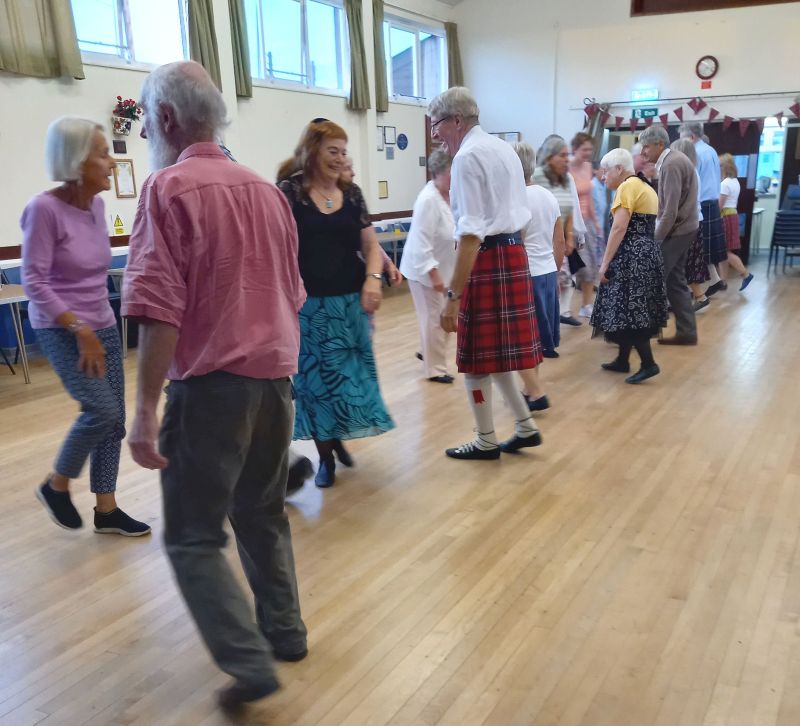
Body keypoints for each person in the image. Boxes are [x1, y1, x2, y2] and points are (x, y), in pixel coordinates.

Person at [123, 61, 307, 712]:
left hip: (210, 389)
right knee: (262, 513)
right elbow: (294, 293)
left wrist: (144, 411)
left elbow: (158, 304)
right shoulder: (265, 191)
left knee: (194, 536)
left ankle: (248, 660)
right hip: (276, 380)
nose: (146, 126)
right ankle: (284, 633)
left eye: (146, 116)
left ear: (167, 119)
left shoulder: (167, 189)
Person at [22, 117, 149, 536]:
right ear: (77, 161)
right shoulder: (44, 209)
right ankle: (57, 485)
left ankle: (107, 510)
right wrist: (80, 329)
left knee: (113, 422)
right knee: (102, 409)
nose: (112, 163)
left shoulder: (96, 205)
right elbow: (34, 281)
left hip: (103, 326)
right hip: (63, 331)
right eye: (103, 153)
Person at [277, 120, 394, 487]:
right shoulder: (290, 193)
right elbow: (276, 250)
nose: (340, 159)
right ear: (311, 151)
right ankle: (325, 456)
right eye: (333, 151)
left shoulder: (353, 193)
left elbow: (371, 246)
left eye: (344, 152)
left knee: (347, 382)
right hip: (308, 308)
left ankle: (336, 437)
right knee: (314, 386)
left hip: (349, 305)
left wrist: (374, 281)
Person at [429, 87, 542, 459]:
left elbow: (472, 233)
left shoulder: (467, 157)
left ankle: (485, 437)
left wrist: (453, 296)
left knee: (476, 358)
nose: (434, 134)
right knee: (497, 357)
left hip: (487, 257)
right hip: (513, 255)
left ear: (457, 121)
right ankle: (525, 426)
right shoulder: (504, 149)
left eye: (437, 124)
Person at [592, 149, 668, 384]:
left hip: (631, 256)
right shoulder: (644, 186)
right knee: (629, 308)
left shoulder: (627, 187)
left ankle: (648, 363)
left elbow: (619, 227)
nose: (603, 177)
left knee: (631, 310)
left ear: (619, 169)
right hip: (646, 254)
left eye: (606, 172)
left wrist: (604, 264)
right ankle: (623, 359)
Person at [513, 141, 564, 411]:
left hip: (526, 273)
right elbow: (560, 242)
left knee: (522, 337)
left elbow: (516, 243)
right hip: (546, 271)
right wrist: (554, 272)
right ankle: (529, 389)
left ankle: (535, 391)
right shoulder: (548, 196)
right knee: (538, 337)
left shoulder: (518, 199)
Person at [399, 149, 457, 383]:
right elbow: (422, 243)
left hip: (446, 268)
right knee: (434, 319)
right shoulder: (428, 200)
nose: (456, 176)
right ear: (438, 172)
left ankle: (427, 351)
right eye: (451, 171)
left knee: (443, 317)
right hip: (423, 270)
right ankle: (436, 370)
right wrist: (434, 275)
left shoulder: (451, 196)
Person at [638, 124, 699, 345]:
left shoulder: (671, 164)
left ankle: (644, 334)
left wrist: (653, 241)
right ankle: (687, 332)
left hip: (679, 230)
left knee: (653, 279)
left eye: (646, 147)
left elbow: (669, 211)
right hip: (685, 228)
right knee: (675, 281)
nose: (643, 152)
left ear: (660, 144)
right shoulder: (671, 161)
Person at [534, 135, 589, 327]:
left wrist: (571, 235)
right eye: (562, 155)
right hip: (541, 239)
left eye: (568, 155)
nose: (567, 159)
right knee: (547, 281)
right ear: (549, 157)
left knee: (565, 277)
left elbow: (570, 206)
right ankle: (545, 320)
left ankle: (559, 313)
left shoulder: (567, 179)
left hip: (561, 235)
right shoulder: (536, 177)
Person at [340, 156, 403, 287]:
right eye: (347, 169)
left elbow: (370, 243)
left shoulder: (354, 197)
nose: (353, 173)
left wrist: (388, 263)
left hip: (354, 280)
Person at [680, 122, 727, 295]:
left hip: (702, 204)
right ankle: (715, 280)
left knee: (696, 249)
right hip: (711, 202)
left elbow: (691, 182)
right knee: (703, 249)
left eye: (682, 139)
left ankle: (690, 289)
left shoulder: (696, 153)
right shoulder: (711, 150)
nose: (681, 145)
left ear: (692, 137)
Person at [670, 138, 710, 312]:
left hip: (686, 224)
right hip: (694, 222)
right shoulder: (692, 171)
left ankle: (698, 296)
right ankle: (692, 297)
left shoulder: (685, 172)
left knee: (681, 263)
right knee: (686, 263)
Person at [568, 132, 601, 319]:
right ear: (575, 149)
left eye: (590, 149)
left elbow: (588, 197)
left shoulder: (588, 166)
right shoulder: (567, 168)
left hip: (586, 221)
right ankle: (564, 306)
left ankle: (586, 305)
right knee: (570, 268)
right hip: (571, 222)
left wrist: (595, 222)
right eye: (584, 149)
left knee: (590, 265)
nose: (588, 153)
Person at [718, 153, 754, 291]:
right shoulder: (735, 182)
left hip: (725, 216)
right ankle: (723, 281)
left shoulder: (725, 184)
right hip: (732, 215)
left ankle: (745, 274)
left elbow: (719, 206)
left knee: (724, 252)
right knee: (724, 251)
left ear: (724, 167)